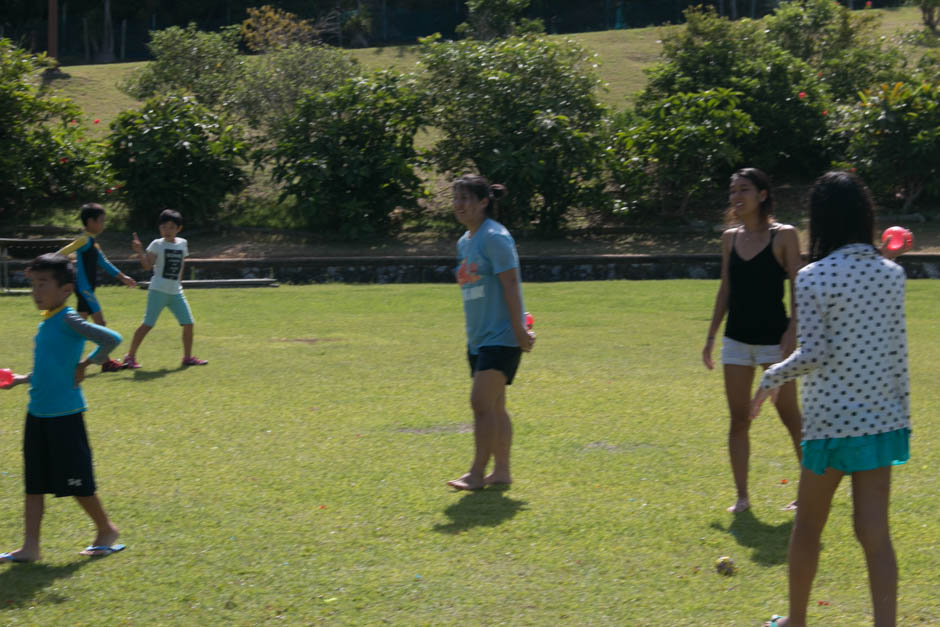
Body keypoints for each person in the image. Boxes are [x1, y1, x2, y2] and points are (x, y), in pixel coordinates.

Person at [752, 171, 910, 627]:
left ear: (820, 219)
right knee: (875, 534)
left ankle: (796, 621)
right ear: (864, 215)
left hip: (832, 426)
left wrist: (772, 378)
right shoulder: (892, 275)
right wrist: (901, 417)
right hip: (882, 422)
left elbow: (815, 352)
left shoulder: (813, 276)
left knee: (806, 529)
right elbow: (896, 353)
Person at [0, 254, 125, 563]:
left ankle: (107, 529)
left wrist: (86, 363)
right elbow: (50, 368)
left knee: (79, 483)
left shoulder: (68, 317)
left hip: (65, 416)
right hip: (37, 413)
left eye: (44, 283)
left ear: (66, 289)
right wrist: (21, 379)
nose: (36, 291)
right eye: (33, 283)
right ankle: (30, 547)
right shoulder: (48, 320)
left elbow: (111, 338)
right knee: (34, 484)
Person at [702, 167, 804, 513]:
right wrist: (711, 335)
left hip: (775, 342)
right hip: (737, 340)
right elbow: (726, 288)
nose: (736, 197)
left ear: (762, 195)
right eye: (732, 191)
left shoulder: (785, 235)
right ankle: (742, 497)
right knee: (739, 418)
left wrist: (793, 331)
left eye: (743, 190)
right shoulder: (729, 237)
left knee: (790, 416)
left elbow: (798, 286)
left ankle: (809, 492)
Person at [447, 174, 535, 491]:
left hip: (502, 336)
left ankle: (475, 473)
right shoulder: (465, 241)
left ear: (484, 202)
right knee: (495, 407)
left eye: (465, 198)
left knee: (481, 404)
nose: (458, 204)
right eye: (455, 198)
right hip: (480, 338)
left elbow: (511, 284)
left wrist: (520, 331)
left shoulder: (495, 237)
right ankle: (502, 472)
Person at [121, 209, 207, 369]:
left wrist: (179, 283)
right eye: (164, 227)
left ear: (178, 229)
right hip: (158, 291)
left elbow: (182, 263)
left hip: (176, 292)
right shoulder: (157, 244)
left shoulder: (183, 243)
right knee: (148, 324)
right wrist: (140, 251)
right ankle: (129, 357)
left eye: (171, 227)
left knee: (189, 323)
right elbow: (147, 266)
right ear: (159, 228)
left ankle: (187, 358)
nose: (167, 231)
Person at [57, 203, 137, 372]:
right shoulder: (84, 240)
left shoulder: (93, 243)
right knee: (100, 323)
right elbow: (64, 252)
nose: (103, 224)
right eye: (100, 221)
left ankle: (64, 358)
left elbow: (104, 263)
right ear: (90, 222)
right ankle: (105, 361)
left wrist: (124, 277)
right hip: (84, 289)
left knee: (79, 328)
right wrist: (46, 262)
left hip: (87, 289)